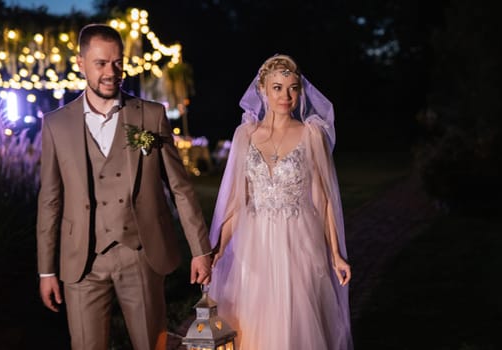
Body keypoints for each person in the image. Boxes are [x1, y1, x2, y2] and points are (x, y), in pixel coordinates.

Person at [36, 23, 212, 350]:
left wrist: (200, 249)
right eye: (101, 63)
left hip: (141, 254)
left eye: (117, 62)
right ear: (81, 63)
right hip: (82, 262)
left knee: (152, 345)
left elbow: (181, 188)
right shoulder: (56, 125)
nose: (111, 72)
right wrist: (46, 271)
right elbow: (50, 201)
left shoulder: (151, 116)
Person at [208, 54, 354, 349]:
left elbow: (323, 199)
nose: (286, 96)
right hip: (255, 244)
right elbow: (238, 201)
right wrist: (219, 249)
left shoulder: (312, 134)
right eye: (277, 87)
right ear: (261, 89)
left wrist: (335, 253)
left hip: (298, 242)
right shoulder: (244, 135)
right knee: (254, 321)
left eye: (292, 88)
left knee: (296, 320)